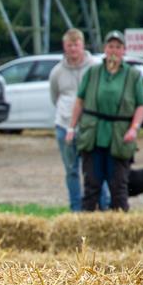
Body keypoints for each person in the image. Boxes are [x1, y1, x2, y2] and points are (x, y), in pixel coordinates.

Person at [66, 31, 143, 212]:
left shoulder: (132, 75)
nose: (114, 51)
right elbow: (80, 100)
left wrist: (134, 128)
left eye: (118, 47)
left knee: (118, 187)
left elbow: (141, 105)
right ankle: (85, 231)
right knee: (91, 186)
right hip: (93, 134)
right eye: (111, 46)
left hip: (119, 136)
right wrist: (71, 127)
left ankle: (119, 230)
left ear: (123, 50)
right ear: (105, 49)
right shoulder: (93, 72)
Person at [49, 28, 106, 212]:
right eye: (69, 45)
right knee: (72, 170)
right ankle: (76, 208)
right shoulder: (57, 71)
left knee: (95, 168)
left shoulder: (95, 67)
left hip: (89, 126)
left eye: (76, 45)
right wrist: (66, 116)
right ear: (64, 47)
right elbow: (54, 96)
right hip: (64, 126)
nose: (73, 49)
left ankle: (104, 204)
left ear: (83, 45)